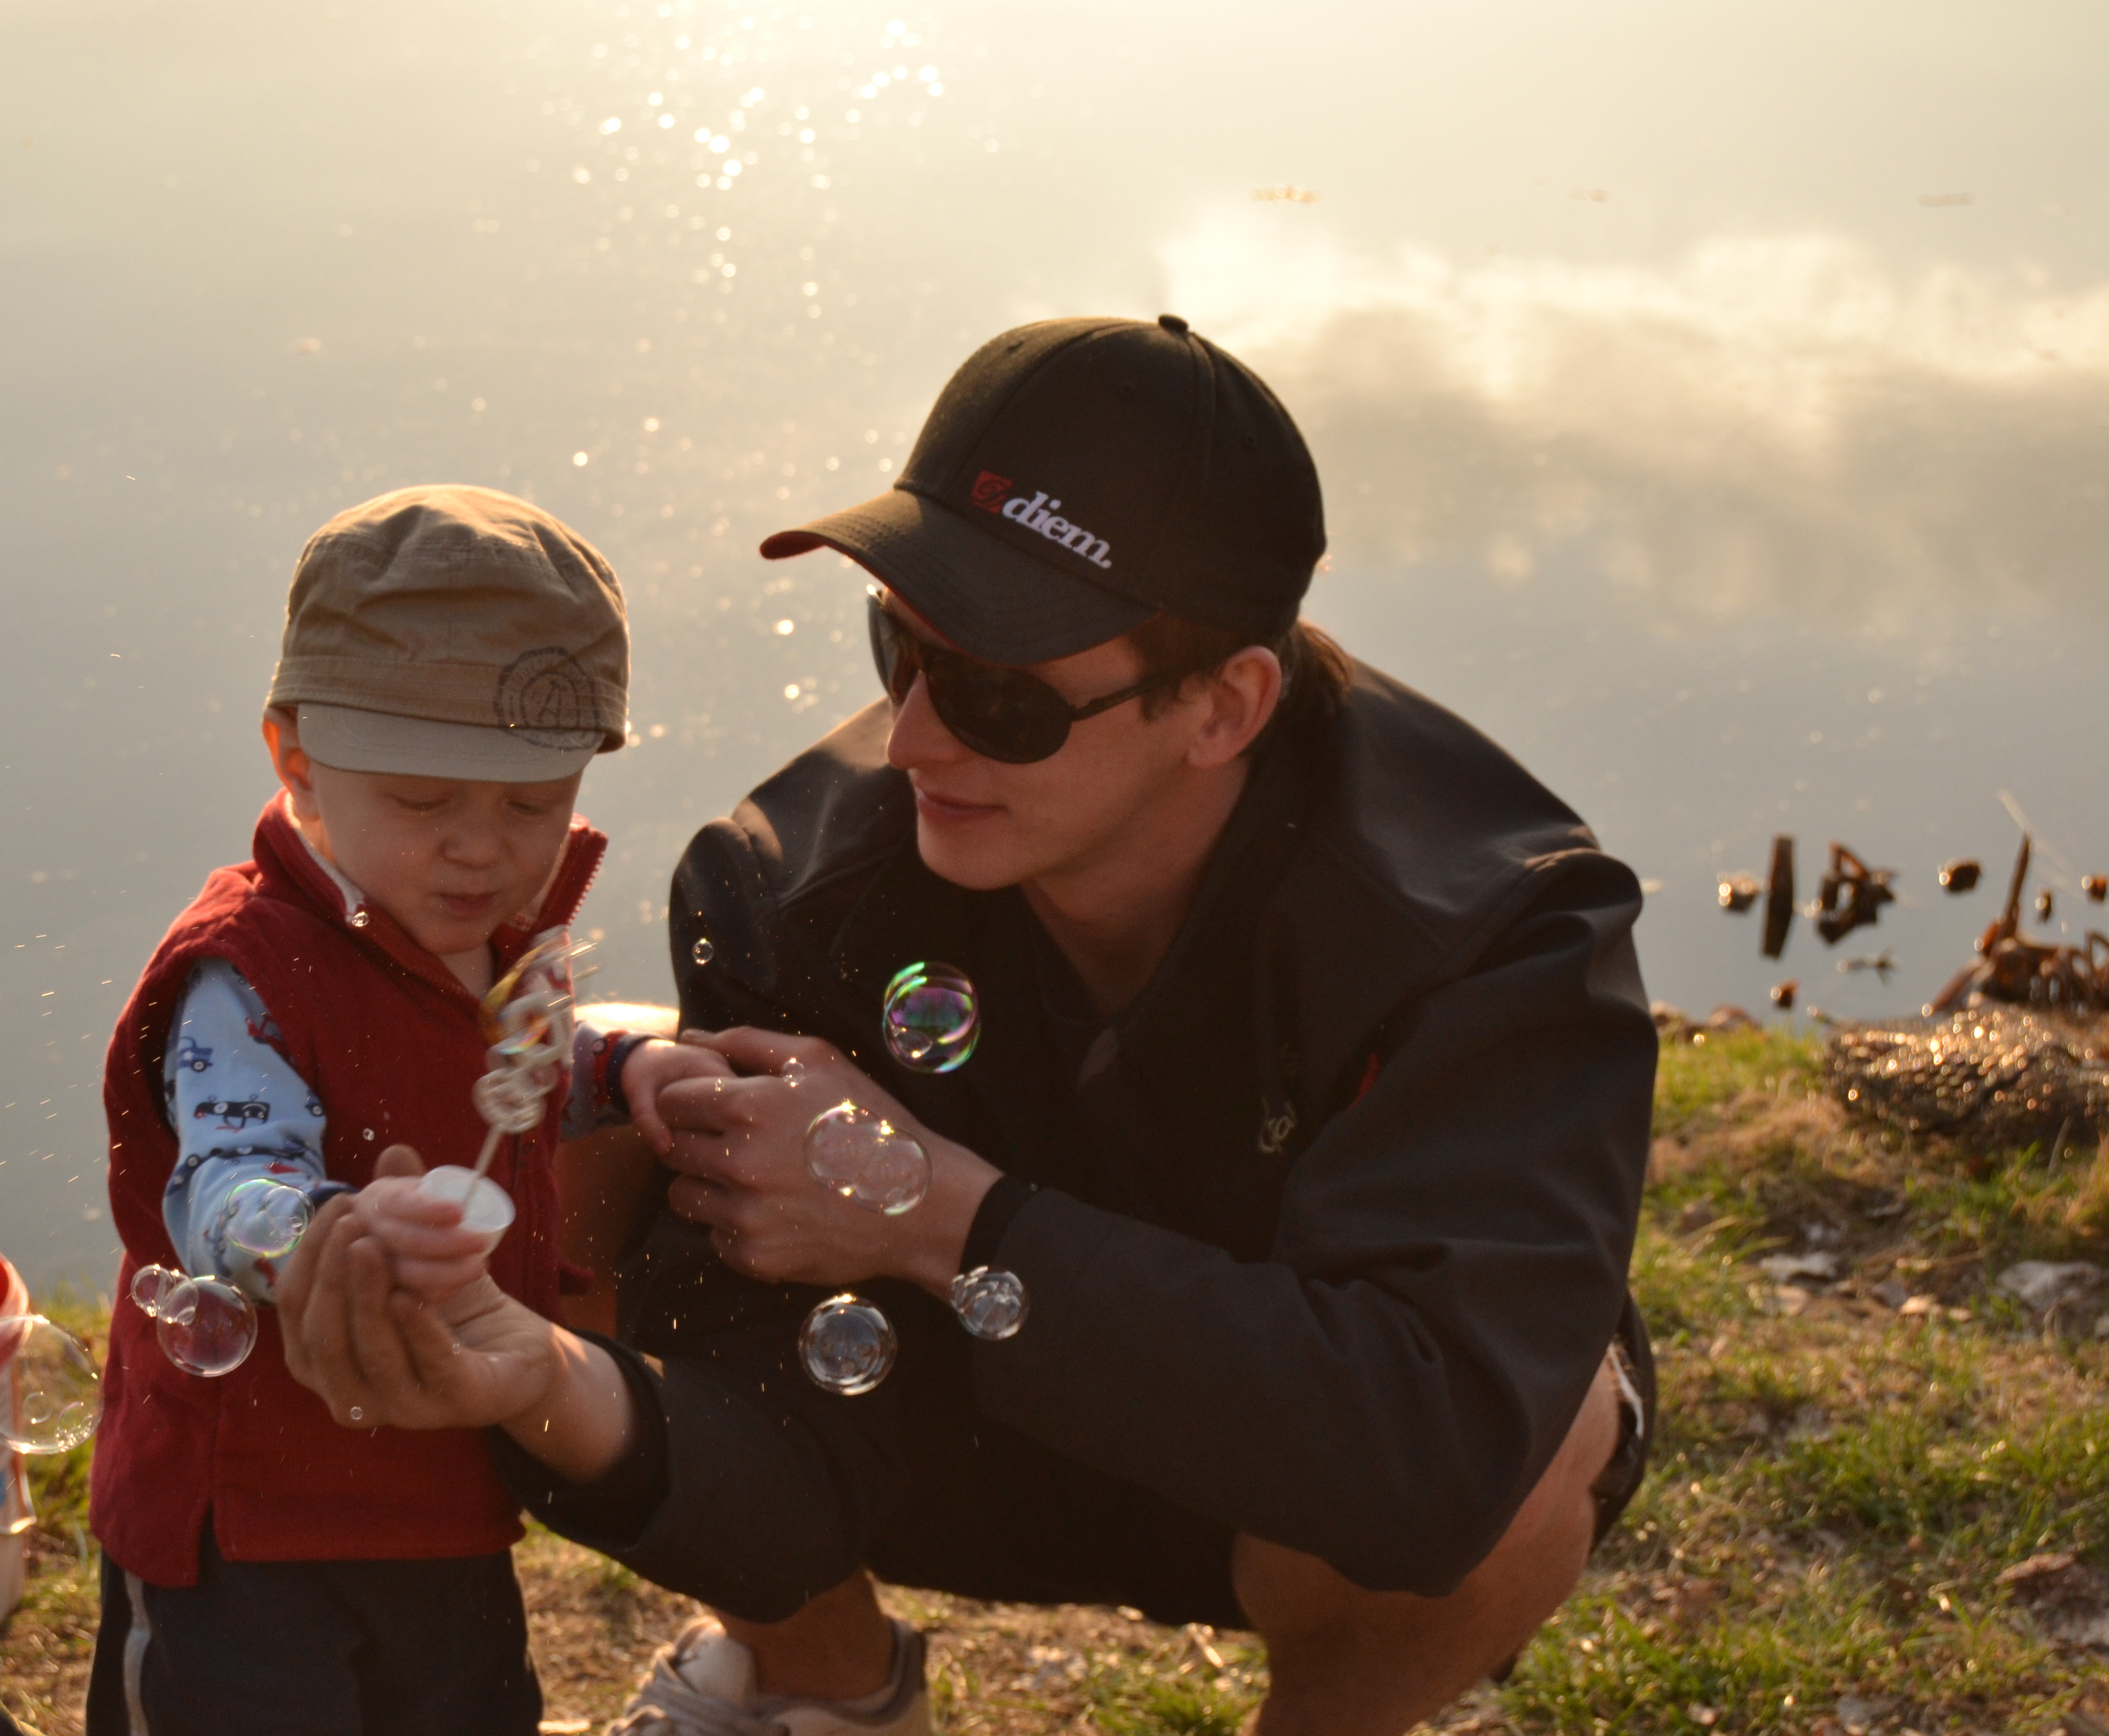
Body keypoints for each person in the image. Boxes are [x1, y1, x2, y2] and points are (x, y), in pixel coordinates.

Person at [278, 319, 1660, 1736]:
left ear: (1224, 705)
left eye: (1001, 696)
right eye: (902, 647)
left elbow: (1438, 1459)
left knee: (1544, 1429)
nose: (915, 741)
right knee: (552, 1138)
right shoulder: (782, 889)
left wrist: (939, 1215)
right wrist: (552, 1382)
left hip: (1294, 1486)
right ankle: (822, 1692)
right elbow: (760, 1421)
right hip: (936, 1433)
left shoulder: (1494, 933)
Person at [83, 484, 728, 1736]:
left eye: (532, 804)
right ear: (298, 764)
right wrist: (324, 1232)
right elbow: (224, 1183)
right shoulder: (246, 977)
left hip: (442, 1481)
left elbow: (511, 1069)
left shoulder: (488, 936)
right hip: (248, 1522)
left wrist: (617, 1072)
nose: (481, 850)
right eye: (426, 803)